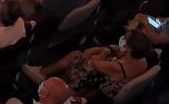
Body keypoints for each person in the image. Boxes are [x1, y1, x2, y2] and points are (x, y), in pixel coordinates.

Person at [24, 29, 153, 99]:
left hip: (93, 85)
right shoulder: (142, 59)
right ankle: (56, 77)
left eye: (125, 39)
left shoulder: (117, 67)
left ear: (129, 48)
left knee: (75, 56)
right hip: (107, 80)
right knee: (88, 54)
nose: (122, 39)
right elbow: (117, 52)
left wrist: (105, 50)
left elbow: (95, 63)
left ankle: (43, 74)